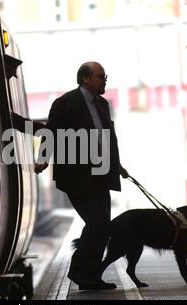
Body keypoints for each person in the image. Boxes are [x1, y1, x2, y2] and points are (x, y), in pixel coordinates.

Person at [35, 62, 129, 290]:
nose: (104, 80)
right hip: (77, 174)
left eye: (104, 76)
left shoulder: (103, 104)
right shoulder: (65, 103)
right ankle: (79, 271)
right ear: (85, 78)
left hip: (101, 174)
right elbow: (51, 133)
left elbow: (105, 139)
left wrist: (117, 165)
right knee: (97, 223)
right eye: (100, 76)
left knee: (103, 226)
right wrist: (43, 157)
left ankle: (92, 276)